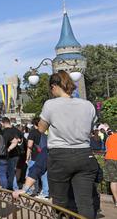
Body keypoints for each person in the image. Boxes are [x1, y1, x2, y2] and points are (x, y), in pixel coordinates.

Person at [38, 71, 97, 219]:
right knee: (85, 203)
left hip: (60, 156)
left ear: (54, 86)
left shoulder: (50, 104)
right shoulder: (87, 105)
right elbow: (90, 129)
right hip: (85, 154)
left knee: (60, 202)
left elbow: (41, 129)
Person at [25, 117, 48, 198]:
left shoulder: (33, 132)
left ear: (34, 124)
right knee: (44, 175)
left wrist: (27, 157)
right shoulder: (44, 133)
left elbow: (30, 146)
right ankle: (45, 193)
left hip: (35, 156)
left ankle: (31, 190)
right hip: (45, 156)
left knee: (32, 173)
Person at [105, 131, 117, 207]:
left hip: (110, 159)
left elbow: (106, 149)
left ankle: (116, 201)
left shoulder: (109, 137)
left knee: (113, 181)